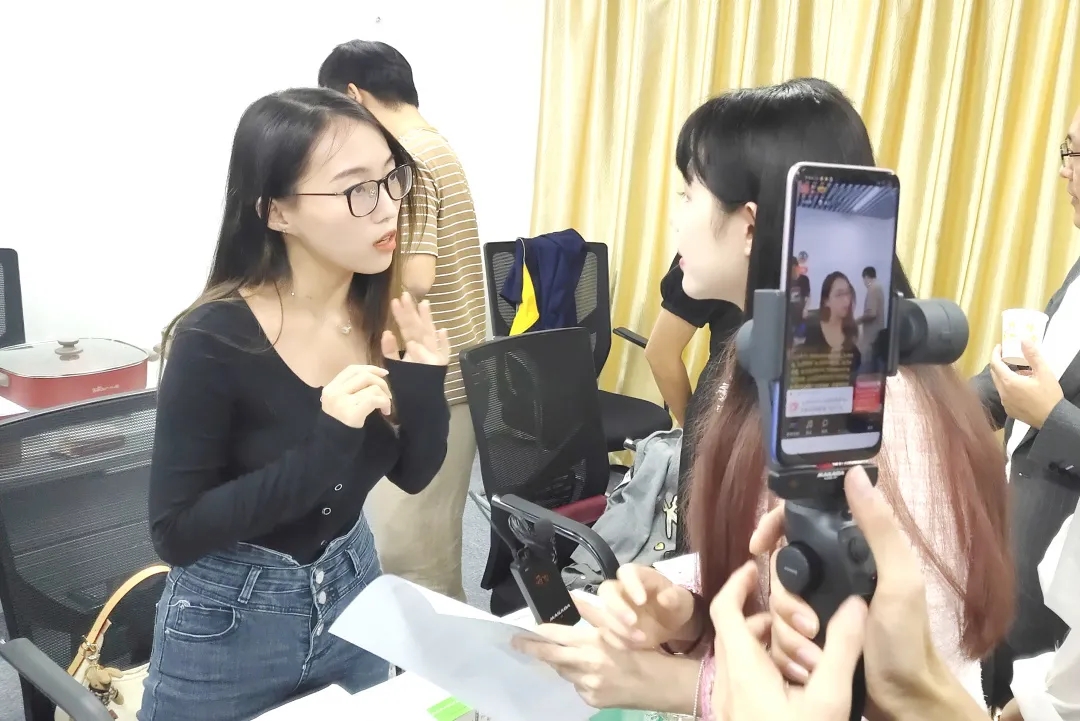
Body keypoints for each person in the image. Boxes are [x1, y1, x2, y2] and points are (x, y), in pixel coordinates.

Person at [512, 78, 1013, 716]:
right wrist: (685, 608)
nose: (675, 218)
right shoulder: (760, 365)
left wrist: (672, 684)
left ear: (748, 225)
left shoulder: (882, 416)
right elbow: (779, 576)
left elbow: (891, 681)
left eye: (688, 194)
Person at [140, 88, 451, 721]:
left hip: (354, 586)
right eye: (355, 189)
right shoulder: (214, 338)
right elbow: (176, 532)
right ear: (278, 211)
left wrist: (424, 387)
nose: (386, 206)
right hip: (231, 617)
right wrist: (329, 439)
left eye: (391, 179)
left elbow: (413, 474)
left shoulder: (375, 310)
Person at [318, 40, 487, 601]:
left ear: (353, 95)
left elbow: (414, 277)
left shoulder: (404, 157)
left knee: (411, 563)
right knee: (426, 550)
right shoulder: (437, 145)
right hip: (453, 371)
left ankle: (443, 662)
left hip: (433, 379)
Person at [973, 103, 1080, 698]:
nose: (1064, 169)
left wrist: (1052, 418)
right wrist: (934, 407)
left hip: (1061, 626)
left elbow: (1050, 404)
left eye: (1076, 154)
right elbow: (1029, 372)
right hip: (1010, 581)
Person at [646, 253, 742, 553]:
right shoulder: (713, 249)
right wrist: (693, 427)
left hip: (803, 414)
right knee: (705, 550)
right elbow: (660, 353)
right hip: (727, 411)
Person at [858, 265, 886, 369]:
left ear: (866, 277)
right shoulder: (878, 287)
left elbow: (871, 314)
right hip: (876, 334)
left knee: (867, 366)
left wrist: (858, 321)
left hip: (871, 336)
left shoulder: (873, 289)